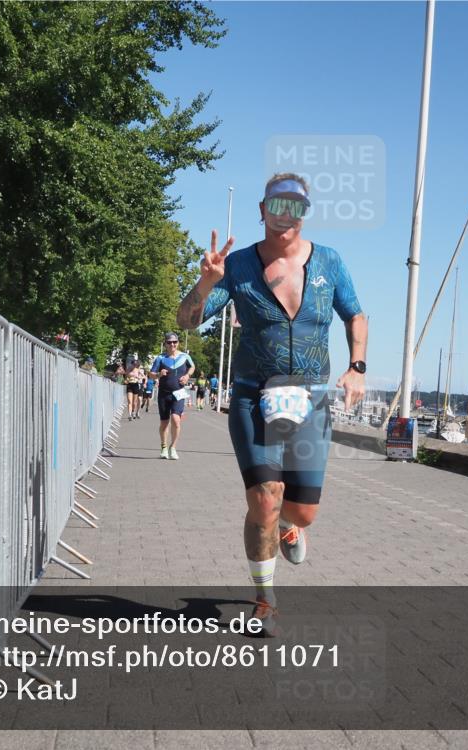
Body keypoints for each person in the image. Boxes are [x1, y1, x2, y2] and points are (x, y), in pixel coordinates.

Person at [177, 173, 367, 635]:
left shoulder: (330, 262)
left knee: (301, 511)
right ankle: (265, 599)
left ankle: (290, 525)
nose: (285, 214)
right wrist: (204, 285)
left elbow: (356, 315)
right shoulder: (237, 266)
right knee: (264, 500)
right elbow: (185, 322)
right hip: (251, 396)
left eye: (295, 206)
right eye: (276, 205)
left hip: (312, 399)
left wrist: (356, 366)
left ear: (305, 212)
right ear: (262, 210)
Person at [150, 333, 195, 459]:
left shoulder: (185, 356)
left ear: (178, 343)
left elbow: (192, 367)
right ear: (165, 344)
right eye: (169, 342)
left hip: (179, 393)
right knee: (164, 423)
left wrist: (187, 376)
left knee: (176, 419)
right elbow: (151, 374)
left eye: (174, 342)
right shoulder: (160, 358)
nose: (172, 344)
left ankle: (173, 447)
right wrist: (159, 374)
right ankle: (164, 447)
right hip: (164, 394)